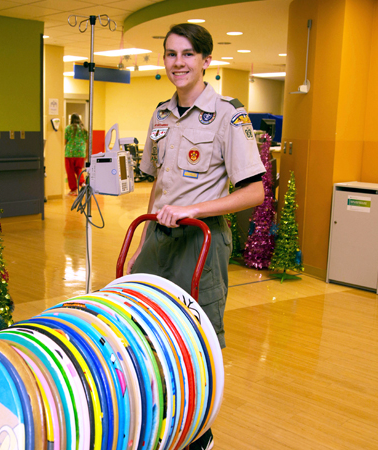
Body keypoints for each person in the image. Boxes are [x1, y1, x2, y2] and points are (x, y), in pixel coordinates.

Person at [127, 23, 266, 450]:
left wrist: (194, 208)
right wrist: (143, 234)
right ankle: (157, 418)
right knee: (142, 324)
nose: (178, 63)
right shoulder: (160, 114)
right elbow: (159, 182)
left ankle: (197, 433)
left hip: (202, 238)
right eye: (171, 54)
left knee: (197, 336)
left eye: (188, 55)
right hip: (159, 235)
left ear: (207, 61)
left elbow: (255, 192)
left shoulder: (228, 115)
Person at [64, 113, 88, 196]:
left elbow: (65, 141)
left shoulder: (68, 128)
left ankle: (73, 190)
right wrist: (86, 153)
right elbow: (87, 141)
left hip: (70, 153)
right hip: (81, 153)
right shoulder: (83, 129)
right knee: (79, 169)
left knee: (70, 171)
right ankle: (83, 183)